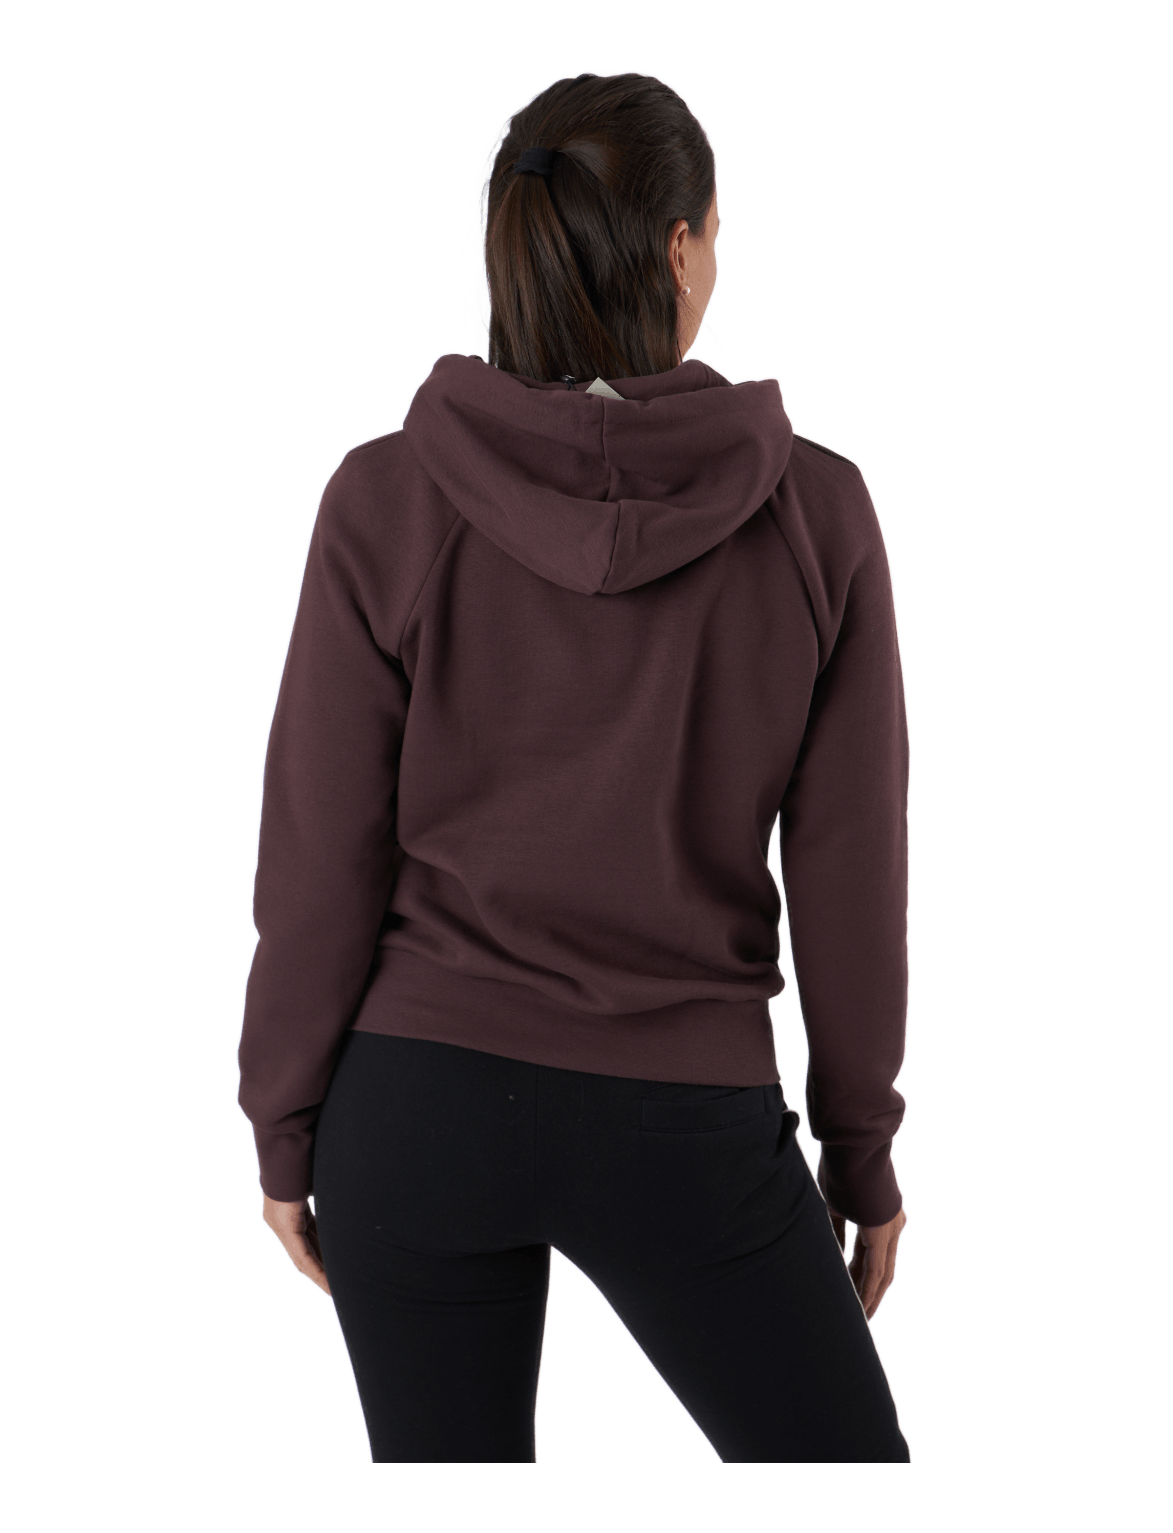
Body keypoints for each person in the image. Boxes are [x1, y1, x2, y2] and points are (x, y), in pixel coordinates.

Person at [239, 69, 911, 1462]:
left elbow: (316, 856)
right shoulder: (818, 513)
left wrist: (283, 1124)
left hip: (412, 1107)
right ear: (681, 249)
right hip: (686, 1120)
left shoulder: (385, 495)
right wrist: (863, 1155)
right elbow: (854, 873)